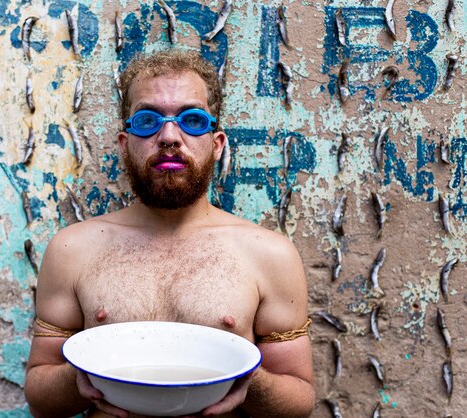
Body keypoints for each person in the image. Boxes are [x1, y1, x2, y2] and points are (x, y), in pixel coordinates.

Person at [24, 49, 315, 417]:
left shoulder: (269, 254)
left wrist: (244, 377)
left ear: (216, 143)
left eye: (192, 120)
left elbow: (299, 401)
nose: (169, 136)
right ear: (124, 144)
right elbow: (39, 397)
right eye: (147, 121)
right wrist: (80, 376)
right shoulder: (73, 249)